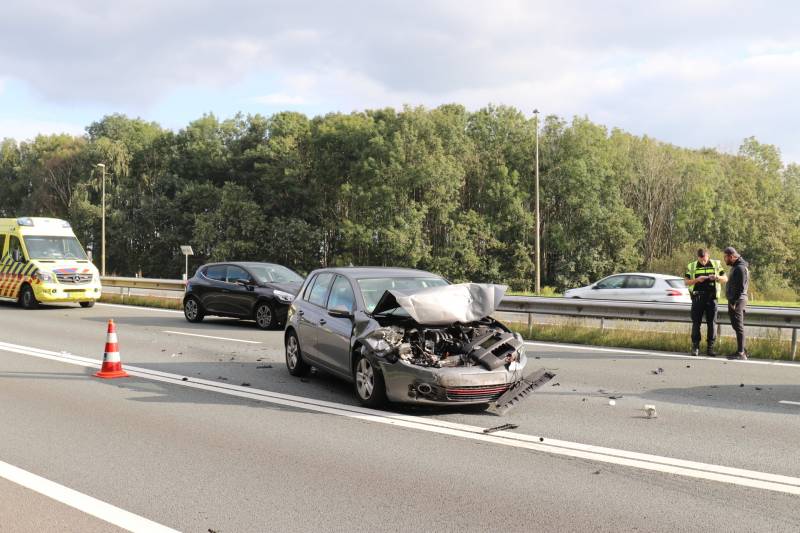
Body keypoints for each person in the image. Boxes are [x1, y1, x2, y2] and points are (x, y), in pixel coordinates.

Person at [685, 248, 727, 356]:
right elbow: (686, 282)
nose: (703, 261)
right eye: (701, 260)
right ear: (698, 257)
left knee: (712, 323)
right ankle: (695, 347)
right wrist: (697, 280)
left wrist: (717, 277)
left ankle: (710, 348)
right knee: (696, 323)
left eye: (705, 259)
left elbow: (725, 279)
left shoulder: (716, 264)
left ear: (708, 256)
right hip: (697, 297)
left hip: (712, 298)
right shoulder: (692, 265)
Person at [724, 247, 749, 359]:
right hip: (735, 300)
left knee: (738, 326)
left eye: (726, 257)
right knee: (736, 325)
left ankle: (741, 353)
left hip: (738, 300)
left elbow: (740, 287)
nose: (725, 259)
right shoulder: (736, 266)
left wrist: (733, 301)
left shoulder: (740, 268)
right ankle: (742, 349)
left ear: (732, 256)